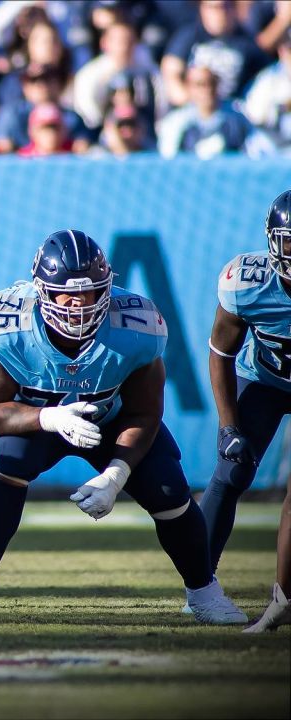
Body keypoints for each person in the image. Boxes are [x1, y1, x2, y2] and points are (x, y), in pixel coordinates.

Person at [0, 230, 246, 627]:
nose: (78, 305)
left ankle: (204, 592)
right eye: (66, 295)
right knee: (10, 466)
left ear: (108, 288)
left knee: (168, 488)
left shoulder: (137, 325)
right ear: (40, 290)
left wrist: (116, 475)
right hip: (36, 419)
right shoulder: (4, 323)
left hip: (111, 419)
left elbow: (145, 414)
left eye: (90, 293)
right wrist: (49, 418)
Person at [201, 191, 291, 633]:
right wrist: (228, 425)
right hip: (264, 382)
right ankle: (200, 584)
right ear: (273, 242)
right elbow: (220, 351)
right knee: (231, 471)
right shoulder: (248, 282)